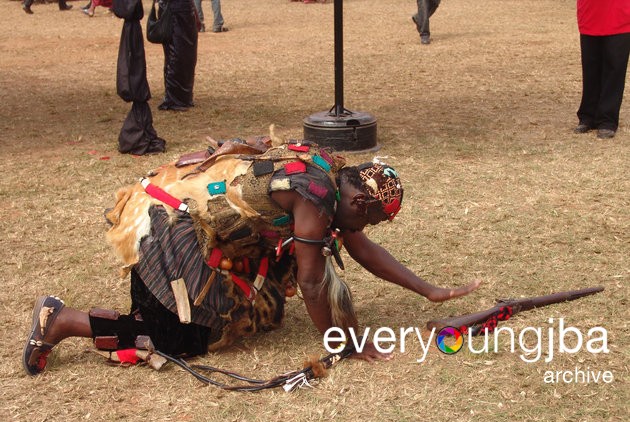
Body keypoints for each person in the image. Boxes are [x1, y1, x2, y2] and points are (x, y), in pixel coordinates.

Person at [23, 137, 481, 376]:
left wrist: (428, 290)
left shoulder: (337, 176)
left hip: (191, 213)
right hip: (168, 220)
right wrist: (343, 343)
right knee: (178, 337)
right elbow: (313, 282)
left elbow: (360, 247)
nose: (367, 230)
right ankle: (62, 321)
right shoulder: (316, 198)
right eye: (375, 219)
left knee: (257, 300)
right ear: (359, 203)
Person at [574, 0, 630, 139]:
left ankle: (607, 119)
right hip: (590, 12)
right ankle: (588, 116)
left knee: (614, 68)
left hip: (619, 14)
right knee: (590, 67)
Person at [158, 0, 198, 111]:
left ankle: (181, 96)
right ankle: (175, 96)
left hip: (181, 10)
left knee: (184, 56)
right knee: (176, 54)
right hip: (175, 11)